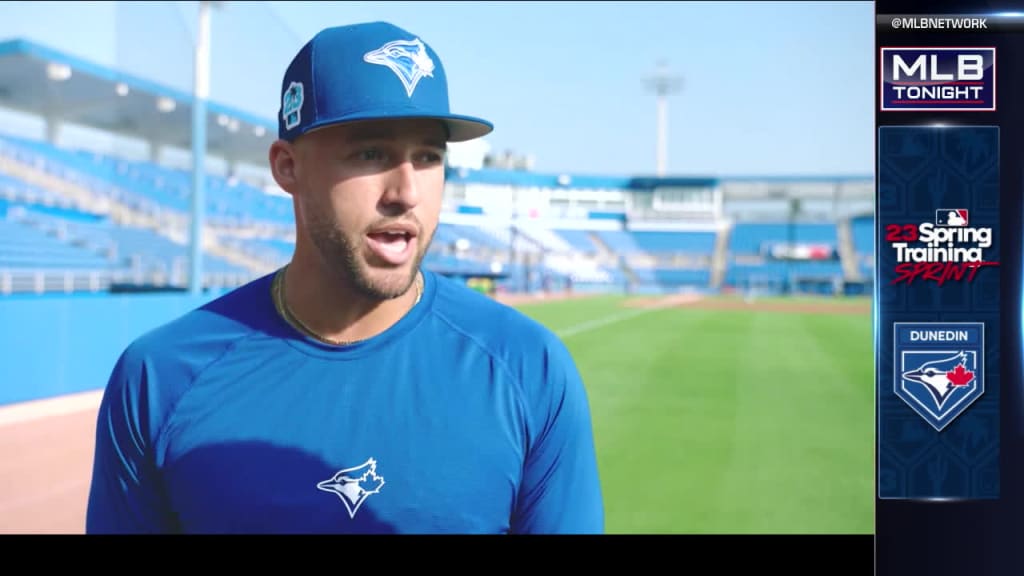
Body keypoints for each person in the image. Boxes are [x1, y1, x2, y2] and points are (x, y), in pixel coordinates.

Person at [85, 21, 604, 534]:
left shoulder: (528, 367)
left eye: (428, 157)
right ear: (287, 167)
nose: (406, 191)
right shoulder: (160, 377)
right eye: (370, 153)